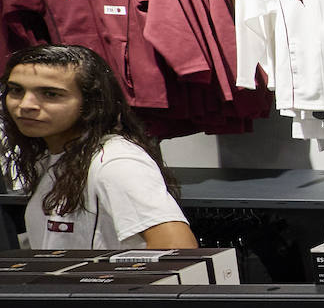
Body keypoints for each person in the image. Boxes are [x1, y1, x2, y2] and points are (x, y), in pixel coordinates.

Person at [2, 44, 197, 250]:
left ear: (89, 103)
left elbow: (177, 247)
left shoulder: (116, 161)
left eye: (50, 94)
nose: (25, 105)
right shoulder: (48, 156)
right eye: (16, 90)